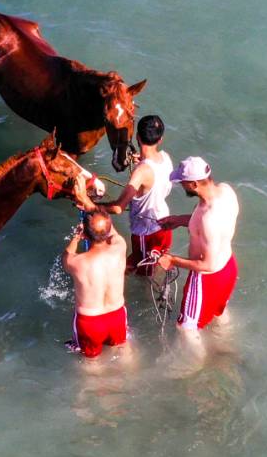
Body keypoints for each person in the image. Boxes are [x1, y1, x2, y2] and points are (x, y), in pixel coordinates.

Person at [157, 156, 239, 331]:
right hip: (228, 268)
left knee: (186, 327)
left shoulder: (207, 217)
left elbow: (207, 264)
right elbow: (213, 226)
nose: (181, 185)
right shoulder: (226, 190)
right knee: (219, 313)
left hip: (207, 278)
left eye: (183, 182)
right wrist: (180, 220)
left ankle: (198, 359)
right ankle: (228, 349)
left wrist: (172, 260)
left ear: (194, 184)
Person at [91, 115, 174, 276]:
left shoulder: (141, 172)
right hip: (165, 226)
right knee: (152, 266)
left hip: (146, 234)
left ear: (137, 136)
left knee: (140, 274)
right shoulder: (165, 158)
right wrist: (142, 161)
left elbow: (117, 207)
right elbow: (152, 174)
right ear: (160, 139)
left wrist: (92, 206)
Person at [61, 211, 129, 358]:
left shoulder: (76, 262)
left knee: (91, 364)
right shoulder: (120, 247)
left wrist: (77, 237)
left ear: (85, 234)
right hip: (117, 315)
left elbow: (65, 257)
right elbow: (113, 233)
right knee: (124, 350)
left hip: (90, 322)